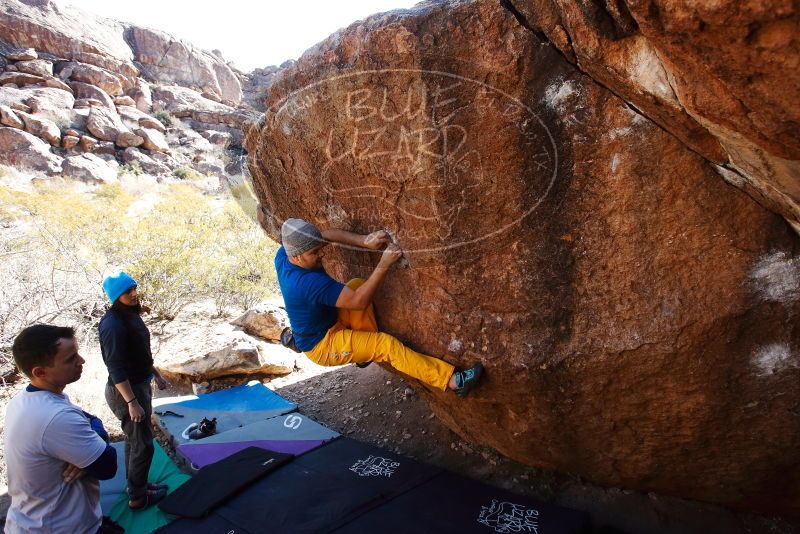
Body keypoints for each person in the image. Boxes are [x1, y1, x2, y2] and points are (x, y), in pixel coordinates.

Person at [276, 218, 484, 397]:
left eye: (319, 248)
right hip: (322, 345)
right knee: (385, 346)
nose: (322, 254)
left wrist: (363, 241)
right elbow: (359, 302)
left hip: (329, 322)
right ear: (297, 257)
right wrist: (384, 263)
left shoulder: (283, 255)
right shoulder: (306, 283)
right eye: (315, 253)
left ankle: (362, 351)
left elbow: (326, 235)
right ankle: (452, 381)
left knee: (357, 284)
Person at [4, 324, 118, 534]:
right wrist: (98, 432)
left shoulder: (24, 400)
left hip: (32, 522)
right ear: (40, 372)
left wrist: (90, 432)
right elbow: (107, 465)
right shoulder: (55, 417)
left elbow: (85, 419)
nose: (81, 361)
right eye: (70, 359)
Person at [98, 271, 169, 510]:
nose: (133, 294)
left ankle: (136, 485)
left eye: (134, 288)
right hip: (125, 391)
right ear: (115, 296)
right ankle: (138, 497)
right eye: (127, 291)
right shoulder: (113, 324)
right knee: (144, 444)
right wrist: (131, 401)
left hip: (138, 384)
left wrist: (156, 375)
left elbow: (140, 352)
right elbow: (115, 367)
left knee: (134, 439)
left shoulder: (129, 315)